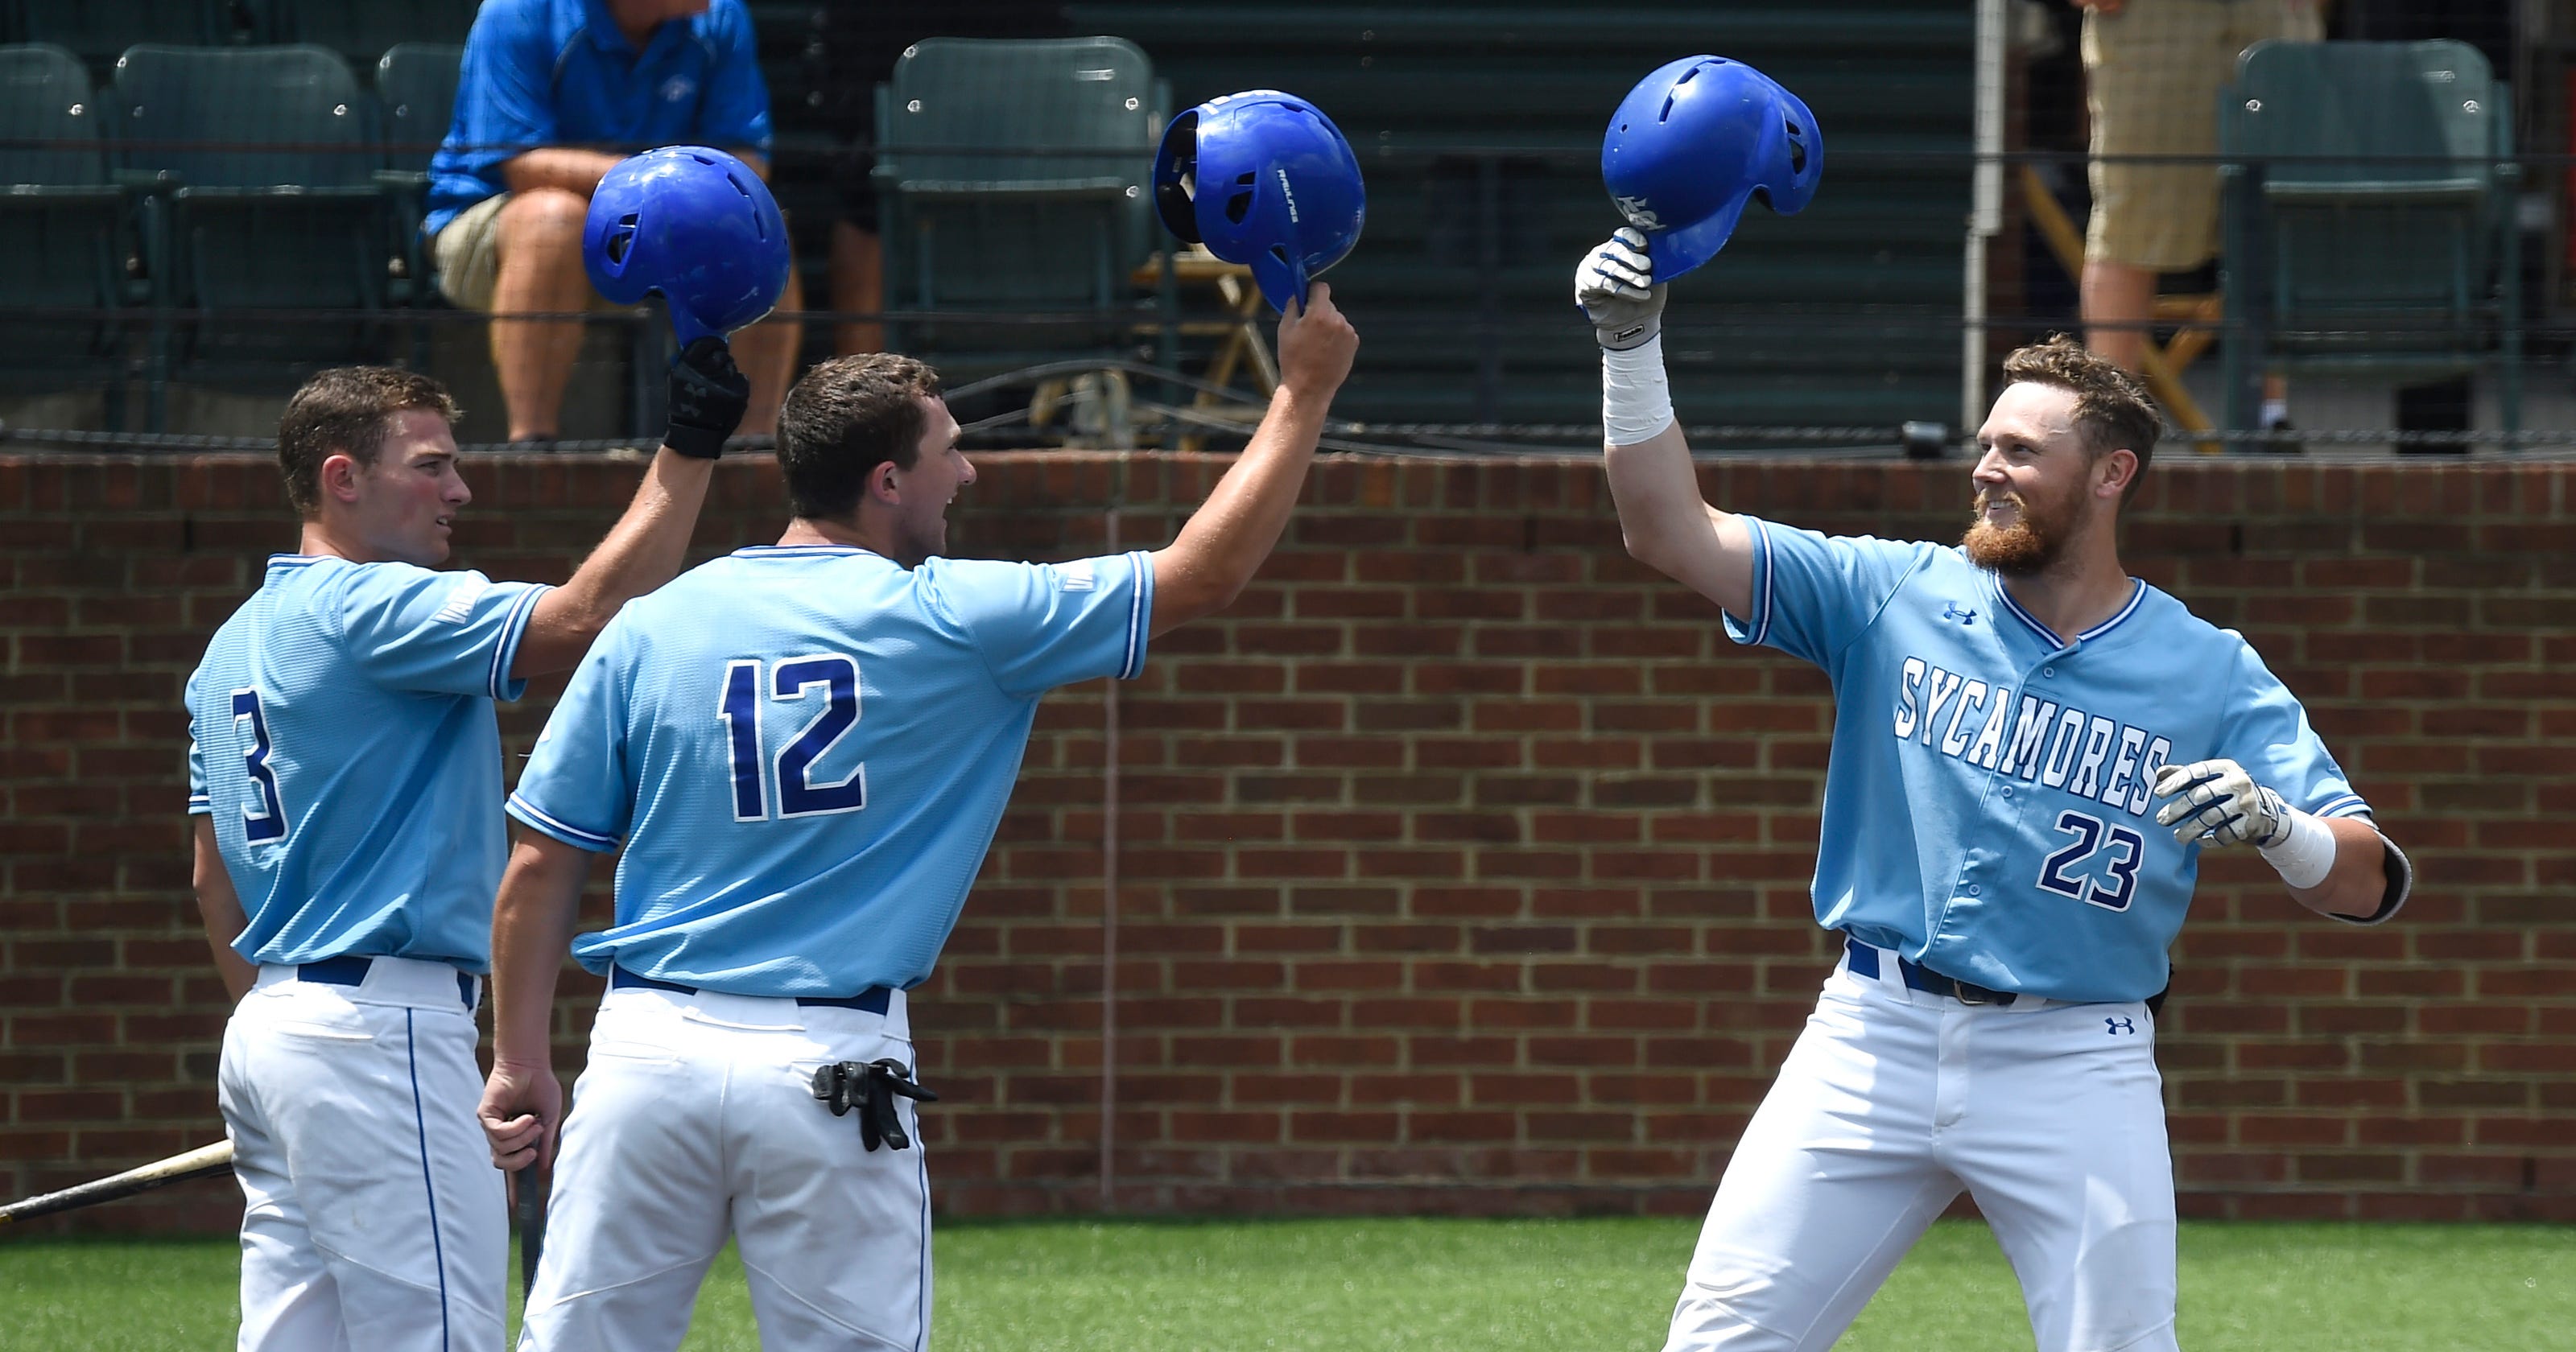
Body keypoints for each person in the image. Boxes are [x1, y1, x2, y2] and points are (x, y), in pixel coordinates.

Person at [475, 286, 1359, 1350]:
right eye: (949, 449)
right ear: (887, 480)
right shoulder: (956, 617)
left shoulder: (654, 623)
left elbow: (539, 863)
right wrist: (1303, 391)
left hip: (643, 1058)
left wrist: (519, 1060)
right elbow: (1203, 573)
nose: (970, 470)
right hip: (830, 1060)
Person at [1576, 228, 2409, 1352]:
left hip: (2077, 1059)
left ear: (2112, 474)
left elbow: (2367, 883)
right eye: (1986, 444)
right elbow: (1666, 530)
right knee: (1720, 1343)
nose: (1986, 468)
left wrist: (2279, 828)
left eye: (2022, 450)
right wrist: (1632, 344)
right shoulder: (1894, 590)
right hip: (1870, 1032)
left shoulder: (2208, 668)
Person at [184, 346, 748, 1350]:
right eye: (431, 464)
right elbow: (583, 619)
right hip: (375, 1025)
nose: (461, 488)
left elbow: (209, 878)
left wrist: (286, 1040)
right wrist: (690, 448)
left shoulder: (229, 642)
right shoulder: (367, 604)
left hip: (275, 1022)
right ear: (341, 479)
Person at [427, 0, 803, 442]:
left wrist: (669, 198)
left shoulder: (721, 15)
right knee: (555, 220)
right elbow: (521, 165)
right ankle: (532, 451)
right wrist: (662, 187)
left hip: (661, 224)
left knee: (754, 230)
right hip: (498, 225)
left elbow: (750, 159)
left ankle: (749, 456)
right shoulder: (518, 10)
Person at [2079, 0, 2319, 435]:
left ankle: (2270, 422)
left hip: (2270, 17)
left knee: (2274, 213)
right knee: (2130, 219)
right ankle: (2108, 425)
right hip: (2154, 26)